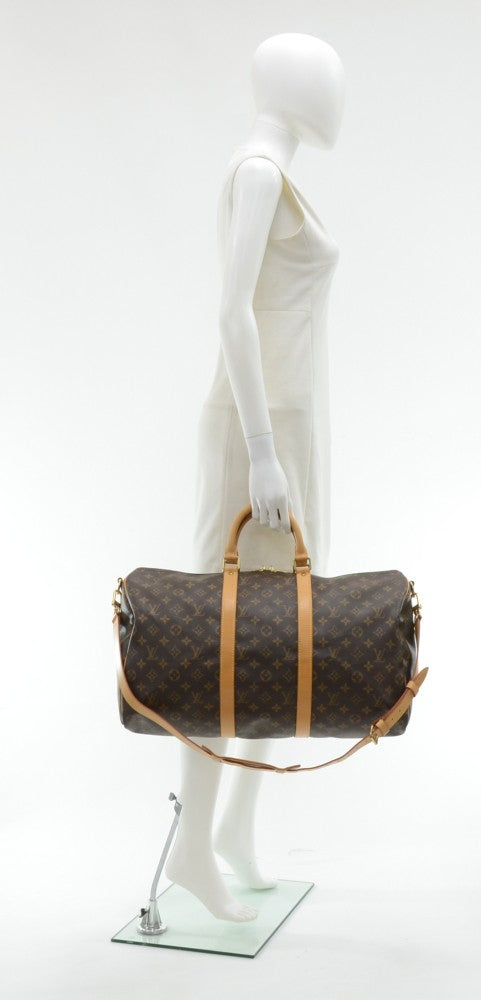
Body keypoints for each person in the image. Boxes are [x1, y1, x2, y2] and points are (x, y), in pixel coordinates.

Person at [165, 32, 345, 921]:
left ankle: (235, 825)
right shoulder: (258, 173)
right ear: (288, 85)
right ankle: (190, 847)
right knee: (223, 635)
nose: (337, 95)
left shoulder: (278, 175)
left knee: (280, 632)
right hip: (255, 430)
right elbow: (230, 312)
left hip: (289, 428)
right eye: (325, 77)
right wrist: (262, 447)